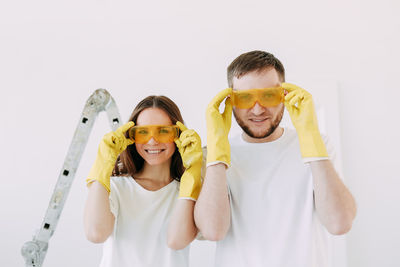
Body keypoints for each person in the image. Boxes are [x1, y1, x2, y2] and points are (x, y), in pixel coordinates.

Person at [194, 50, 357, 266]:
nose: (258, 108)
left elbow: (340, 223)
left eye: (269, 95)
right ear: (230, 101)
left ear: (285, 95)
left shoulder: (319, 146)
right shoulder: (213, 156)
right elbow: (213, 231)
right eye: (245, 98)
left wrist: (310, 138)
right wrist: (216, 149)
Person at [84, 95, 202, 267]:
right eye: (143, 132)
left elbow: (177, 240)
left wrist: (192, 173)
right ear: (132, 137)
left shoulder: (188, 191)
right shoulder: (115, 187)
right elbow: (96, 234)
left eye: (162, 131)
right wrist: (103, 165)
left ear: (179, 135)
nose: (152, 140)